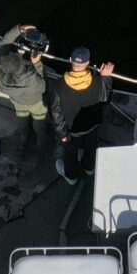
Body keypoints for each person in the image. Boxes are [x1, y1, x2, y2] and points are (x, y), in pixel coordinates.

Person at [47, 46, 115, 184]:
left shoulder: (57, 86)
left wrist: (63, 135)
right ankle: (90, 168)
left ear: (70, 60)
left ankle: (71, 177)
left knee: (70, 154)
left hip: (72, 132)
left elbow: (56, 114)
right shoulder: (98, 82)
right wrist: (106, 78)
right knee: (90, 147)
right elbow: (106, 100)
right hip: (92, 126)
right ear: (88, 63)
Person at [0, 19, 53, 152]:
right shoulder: (30, 78)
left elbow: (3, 45)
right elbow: (43, 85)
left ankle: (24, 139)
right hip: (36, 103)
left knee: (22, 117)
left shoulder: (1, 68)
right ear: (21, 67)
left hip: (17, 101)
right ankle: (41, 142)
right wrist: (37, 63)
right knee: (39, 120)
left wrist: (18, 30)